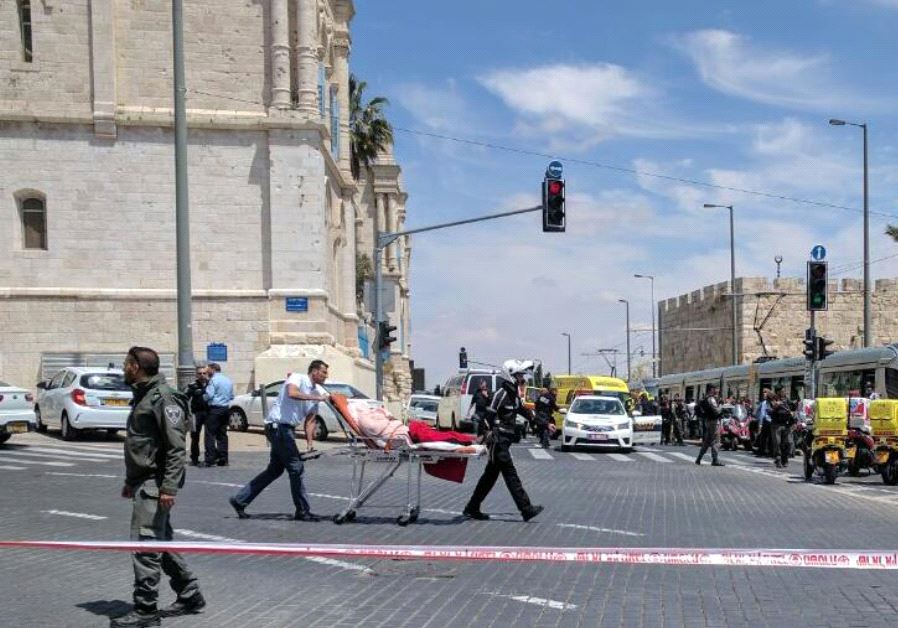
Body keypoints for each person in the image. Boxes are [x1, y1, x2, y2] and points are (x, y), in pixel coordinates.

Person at [111, 346, 204, 628]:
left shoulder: (163, 398)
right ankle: (189, 593)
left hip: (156, 483)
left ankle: (145, 610)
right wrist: (131, 481)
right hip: (145, 481)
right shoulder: (144, 395)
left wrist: (168, 488)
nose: (124, 368)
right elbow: (142, 443)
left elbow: (176, 448)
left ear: (136, 367)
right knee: (161, 541)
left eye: (127, 363)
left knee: (146, 546)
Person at [229, 360, 330, 522]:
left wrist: (310, 444)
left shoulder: (316, 392)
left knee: (275, 470)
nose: (326, 376)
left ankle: (240, 500)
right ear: (314, 371)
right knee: (296, 468)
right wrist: (315, 398)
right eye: (324, 372)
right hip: (278, 427)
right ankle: (302, 511)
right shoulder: (297, 378)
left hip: (286, 430)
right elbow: (292, 393)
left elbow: (310, 421)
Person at [463, 360, 544, 522]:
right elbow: (487, 418)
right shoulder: (500, 394)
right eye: (519, 376)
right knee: (511, 475)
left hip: (504, 441)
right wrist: (487, 437)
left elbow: (526, 412)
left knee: (489, 478)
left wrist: (544, 423)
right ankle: (526, 509)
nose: (522, 379)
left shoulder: (514, 396)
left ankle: (472, 507)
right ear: (510, 376)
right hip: (498, 442)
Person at [203, 363, 234, 467]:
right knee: (222, 434)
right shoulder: (228, 380)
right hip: (225, 409)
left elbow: (209, 395)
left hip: (215, 409)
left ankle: (210, 459)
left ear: (213, 369)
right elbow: (231, 396)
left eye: (208, 370)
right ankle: (223, 459)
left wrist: (203, 397)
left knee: (210, 434)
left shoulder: (213, 380)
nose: (207, 372)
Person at [183, 365, 209, 466]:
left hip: (208, 412)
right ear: (196, 375)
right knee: (195, 436)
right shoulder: (192, 386)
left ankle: (210, 457)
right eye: (199, 373)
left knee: (210, 436)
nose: (202, 375)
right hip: (196, 413)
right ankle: (194, 458)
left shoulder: (210, 384)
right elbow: (185, 398)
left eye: (204, 373)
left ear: (207, 374)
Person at [695, 385, 724, 466]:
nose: (716, 390)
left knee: (707, 441)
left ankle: (699, 458)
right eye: (714, 389)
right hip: (714, 422)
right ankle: (715, 460)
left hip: (708, 421)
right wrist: (721, 405)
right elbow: (717, 411)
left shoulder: (705, 398)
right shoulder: (711, 399)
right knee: (716, 441)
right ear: (711, 389)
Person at [769, 385, 794, 469]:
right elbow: (771, 408)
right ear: (778, 392)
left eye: (784, 391)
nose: (784, 392)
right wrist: (776, 405)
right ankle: (778, 459)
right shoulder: (773, 399)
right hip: (776, 424)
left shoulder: (786, 399)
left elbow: (793, 407)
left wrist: (793, 411)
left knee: (788, 442)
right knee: (777, 443)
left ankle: (785, 458)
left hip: (786, 424)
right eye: (782, 391)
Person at [754, 389, 772, 458]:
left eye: (765, 393)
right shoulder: (763, 403)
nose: (764, 394)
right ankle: (762, 451)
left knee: (769, 438)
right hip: (765, 422)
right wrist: (760, 423)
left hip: (770, 422)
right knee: (763, 437)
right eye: (763, 393)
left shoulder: (771, 402)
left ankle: (768, 452)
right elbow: (761, 413)